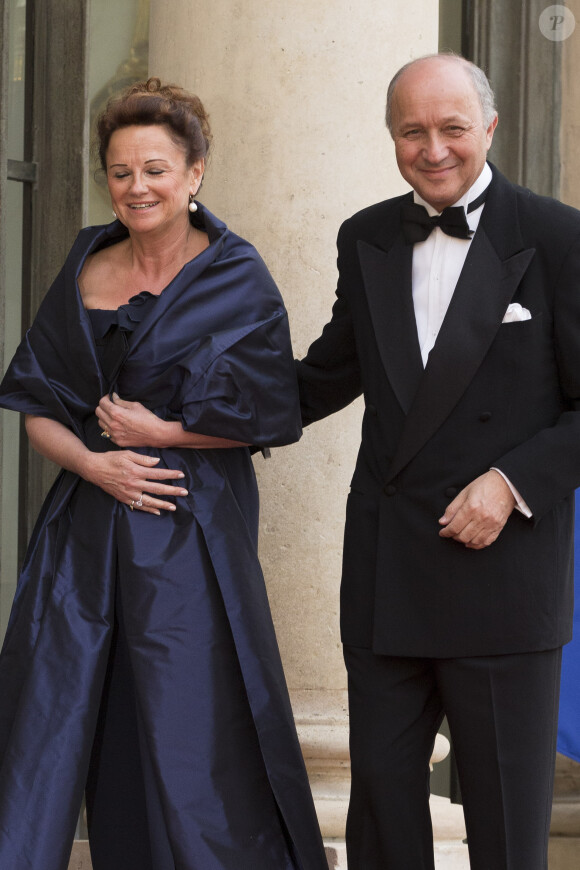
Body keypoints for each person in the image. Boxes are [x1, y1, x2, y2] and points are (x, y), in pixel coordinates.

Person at [0, 78, 327, 870]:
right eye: (120, 171)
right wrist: (95, 464)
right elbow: (37, 402)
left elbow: (269, 414)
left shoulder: (235, 274)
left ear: (194, 173)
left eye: (155, 168)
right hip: (84, 532)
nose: (137, 187)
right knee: (51, 723)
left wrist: (164, 431)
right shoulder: (83, 261)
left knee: (193, 729)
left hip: (191, 532)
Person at [297, 53, 580, 870]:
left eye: (452, 128)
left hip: (504, 574)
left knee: (503, 833)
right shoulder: (367, 236)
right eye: (411, 131)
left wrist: (511, 483)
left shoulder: (556, 236)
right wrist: (186, 416)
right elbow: (325, 376)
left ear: (488, 128)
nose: (433, 149)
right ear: (391, 136)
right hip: (388, 575)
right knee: (383, 825)